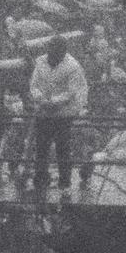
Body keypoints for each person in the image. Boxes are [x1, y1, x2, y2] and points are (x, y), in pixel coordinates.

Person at [28, 35, 87, 195]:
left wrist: (54, 102)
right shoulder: (40, 62)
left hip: (64, 112)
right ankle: (40, 179)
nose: (51, 54)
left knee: (63, 147)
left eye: (55, 51)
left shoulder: (73, 66)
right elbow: (34, 85)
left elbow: (71, 92)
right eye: (50, 50)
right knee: (41, 146)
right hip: (44, 110)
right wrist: (41, 99)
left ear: (62, 52)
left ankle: (64, 182)